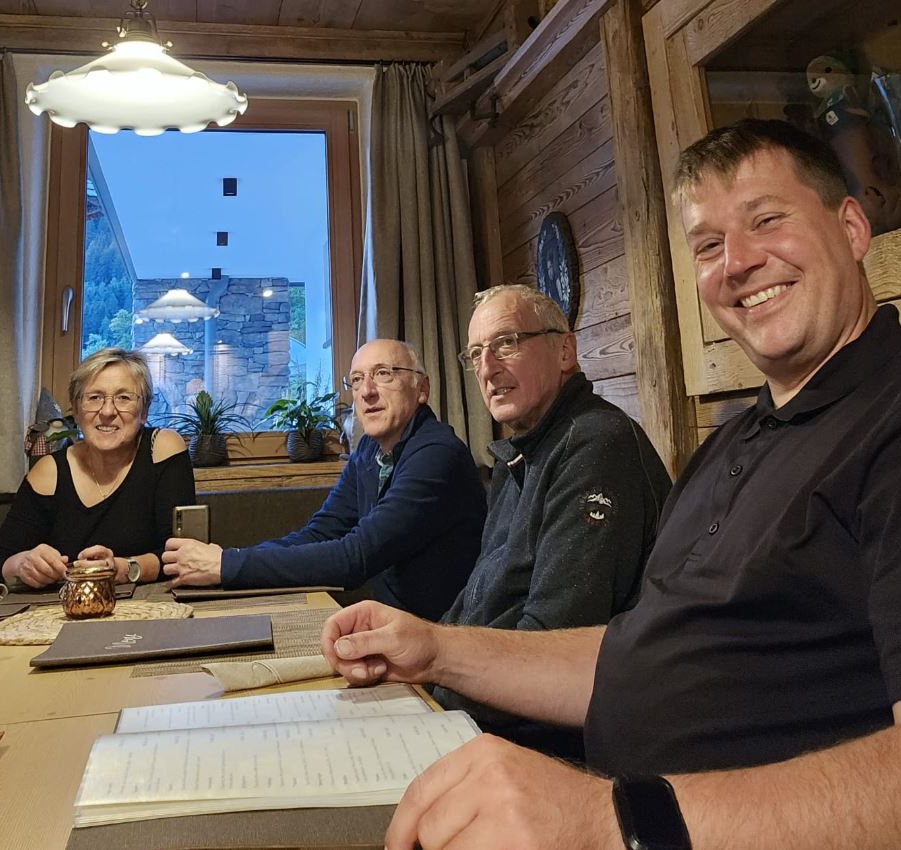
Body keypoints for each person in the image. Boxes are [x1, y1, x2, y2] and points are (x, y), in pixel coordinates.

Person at [320, 118, 901, 850]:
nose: (737, 262)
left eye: (766, 221)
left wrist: (608, 819)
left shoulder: (885, 421)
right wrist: (434, 649)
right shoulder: (731, 444)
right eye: (708, 244)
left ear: (851, 228)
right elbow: (630, 655)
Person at [433, 284, 670, 751]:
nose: (487, 368)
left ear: (564, 351)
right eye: (476, 353)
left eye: (506, 343)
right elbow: (475, 605)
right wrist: (416, 675)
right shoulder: (520, 452)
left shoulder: (596, 445)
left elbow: (553, 646)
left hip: (557, 747)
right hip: (479, 715)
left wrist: (434, 682)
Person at [162, 339, 486, 621]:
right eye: (356, 380)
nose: (367, 391)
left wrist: (226, 565)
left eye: (383, 374)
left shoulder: (437, 454)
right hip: (399, 629)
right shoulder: (369, 449)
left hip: (445, 638)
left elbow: (354, 558)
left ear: (422, 389)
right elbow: (320, 533)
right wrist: (226, 559)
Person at [0, 348, 194, 587]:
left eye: (124, 398)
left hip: (152, 606)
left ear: (144, 411)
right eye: (94, 397)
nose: (107, 411)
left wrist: (122, 569)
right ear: (76, 412)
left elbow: (185, 557)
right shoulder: (49, 473)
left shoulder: (161, 449)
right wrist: (20, 564)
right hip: (65, 607)